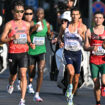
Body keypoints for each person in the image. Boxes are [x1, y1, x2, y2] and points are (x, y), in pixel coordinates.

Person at [0, 1, 35, 105]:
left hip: (23, 52)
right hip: (13, 53)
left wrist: (30, 43)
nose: (20, 14)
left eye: (21, 11)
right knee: (13, 75)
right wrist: (11, 38)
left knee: (23, 74)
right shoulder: (9, 25)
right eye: (17, 11)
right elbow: (1, 39)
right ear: (13, 12)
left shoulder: (27, 24)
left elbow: (27, 35)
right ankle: (11, 83)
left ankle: (22, 100)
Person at [58, 7, 87, 105]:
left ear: (79, 16)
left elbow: (86, 41)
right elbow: (59, 37)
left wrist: (82, 35)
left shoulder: (83, 27)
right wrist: (60, 42)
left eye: (76, 14)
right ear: (70, 16)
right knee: (71, 72)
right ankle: (69, 87)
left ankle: (71, 95)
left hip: (77, 53)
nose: (74, 16)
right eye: (73, 14)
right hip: (67, 52)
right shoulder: (64, 26)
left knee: (76, 79)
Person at [28, 8, 53, 102]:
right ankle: (30, 83)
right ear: (35, 15)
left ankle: (37, 93)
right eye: (38, 14)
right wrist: (33, 30)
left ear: (43, 15)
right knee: (31, 71)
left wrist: (50, 35)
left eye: (41, 14)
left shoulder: (47, 24)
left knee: (41, 70)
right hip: (32, 51)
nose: (39, 15)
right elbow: (27, 35)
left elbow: (49, 35)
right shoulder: (31, 23)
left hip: (42, 51)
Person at [84, 11, 105, 105]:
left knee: (104, 81)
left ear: (103, 19)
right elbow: (85, 47)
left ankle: (104, 86)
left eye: (100, 17)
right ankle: (98, 102)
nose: (98, 19)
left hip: (104, 60)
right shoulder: (89, 31)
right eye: (96, 17)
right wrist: (91, 47)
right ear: (93, 19)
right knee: (96, 84)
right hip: (94, 61)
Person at [16, 6, 35, 93]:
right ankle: (19, 80)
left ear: (33, 15)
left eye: (30, 14)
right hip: (21, 49)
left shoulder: (36, 24)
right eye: (26, 14)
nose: (28, 16)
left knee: (31, 68)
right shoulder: (20, 24)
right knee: (22, 69)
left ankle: (30, 85)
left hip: (33, 50)